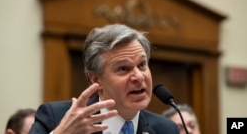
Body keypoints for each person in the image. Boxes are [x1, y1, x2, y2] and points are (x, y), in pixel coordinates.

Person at [29, 24, 179, 134]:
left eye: (142, 65)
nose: (139, 77)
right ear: (96, 79)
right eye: (123, 69)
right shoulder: (56, 118)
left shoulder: (166, 129)